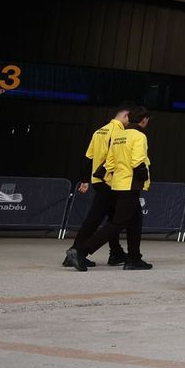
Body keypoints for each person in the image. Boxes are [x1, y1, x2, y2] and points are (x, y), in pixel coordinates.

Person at [68, 107, 153, 271]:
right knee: (117, 223)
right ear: (143, 120)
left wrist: (98, 175)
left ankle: (134, 258)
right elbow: (137, 161)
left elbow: (110, 162)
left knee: (135, 221)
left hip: (117, 184)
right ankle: (80, 252)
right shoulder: (139, 136)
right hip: (130, 184)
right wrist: (143, 178)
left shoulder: (120, 135)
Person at [63, 104, 132, 268]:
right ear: (125, 117)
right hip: (110, 181)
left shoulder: (99, 131)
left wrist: (85, 180)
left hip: (97, 181)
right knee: (99, 220)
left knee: (111, 219)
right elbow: (115, 159)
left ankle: (115, 252)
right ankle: (76, 252)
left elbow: (88, 158)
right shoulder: (120, 133)